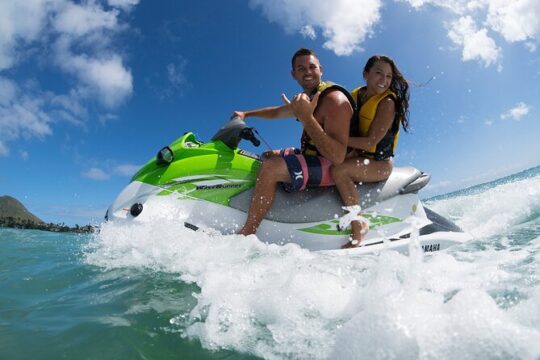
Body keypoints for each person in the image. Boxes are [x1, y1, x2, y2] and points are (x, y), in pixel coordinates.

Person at [233, 48, 355, 236]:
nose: (307, 72)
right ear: (293, 74)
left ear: (321, 69)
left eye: (312, 67)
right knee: (268, 154)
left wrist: (307, 118)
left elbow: (338, 157)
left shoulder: (334, 100)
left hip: (333, 165)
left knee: (271, 167)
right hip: (314, 155)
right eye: (301, 68)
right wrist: (246, 114)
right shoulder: (308, 100)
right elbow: (276, 112)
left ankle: (248, 232)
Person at [331, 55, 410, 248]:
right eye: (378, 73)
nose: (384, 80)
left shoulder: (387, 102)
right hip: (358, 156)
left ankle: (359, 228)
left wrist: (335, 142)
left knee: (339, 171)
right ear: (366, 74)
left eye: (389, 76)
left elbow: (371, 142)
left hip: (379, 164)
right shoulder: (356, 94)